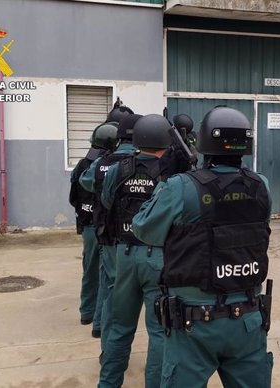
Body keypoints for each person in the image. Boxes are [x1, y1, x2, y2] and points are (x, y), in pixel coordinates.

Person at [132, 107, 274, 388]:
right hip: (248, 318)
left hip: (194, 323)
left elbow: (144, 229)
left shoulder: (182, 186)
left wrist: (168, 181)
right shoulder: (262, 185)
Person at [98, 114, 172, 388]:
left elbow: (107, 200)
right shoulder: (170, 173)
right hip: (159, 259)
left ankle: (107, 384)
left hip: (124, 255)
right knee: (160, 333)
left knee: (119, 329)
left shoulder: (118, 168)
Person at [79, 103, 139, 360]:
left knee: (108, 284)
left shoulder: (101, 162)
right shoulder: (142, 163)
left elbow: (85, 182)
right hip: (137, 239)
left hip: (106, 234)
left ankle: (99, 328)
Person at [69, 122, 118, 338]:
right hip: (107, 229)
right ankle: (99, 320)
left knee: (89, 270)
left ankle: (86, 313)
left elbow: (73, 197)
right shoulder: (118, 166)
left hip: (89, 226)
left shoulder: (83, 165)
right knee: (108, 276)